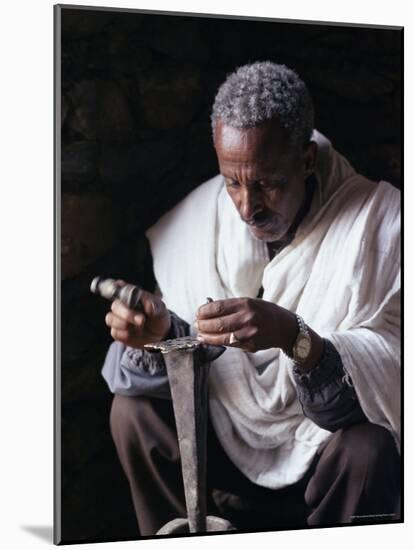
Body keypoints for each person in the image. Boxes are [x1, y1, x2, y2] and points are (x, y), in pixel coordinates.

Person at [101, 61, 401, 535]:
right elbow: (197, 354)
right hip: (227, 436)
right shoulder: (203, 221)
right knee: (133, 412)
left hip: (321, 447)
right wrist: (162, 334)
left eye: (267, 183)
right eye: (233, 182)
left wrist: (292, 335)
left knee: (370, 451)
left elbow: (388, 382)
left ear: (305, 160)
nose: (246, 207)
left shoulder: (381, 225)